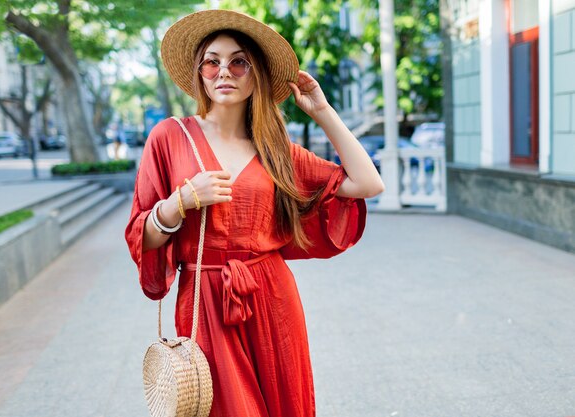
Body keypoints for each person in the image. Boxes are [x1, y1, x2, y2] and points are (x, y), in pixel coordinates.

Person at [124, 9, 385, 417]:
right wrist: (180, 202)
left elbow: (368, 183)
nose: (224, 71)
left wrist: (322, 112)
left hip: (272, 299)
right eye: (212, 61)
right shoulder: (170, 136)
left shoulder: (275, 149)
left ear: (255, 73)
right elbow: (141, 234)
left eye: (238, 61)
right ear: (199, 72)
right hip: (205, 301)